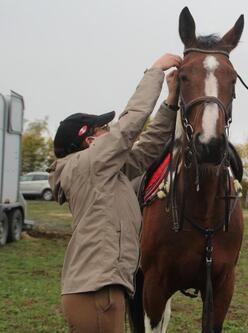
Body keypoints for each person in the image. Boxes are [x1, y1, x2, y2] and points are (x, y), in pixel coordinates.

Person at [48, 53, 182, 333]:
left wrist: (170, 104)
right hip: (96, 292)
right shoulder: (88, 164)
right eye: (104, 128)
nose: (111, 131)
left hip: (102, 289)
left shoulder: (103, 172)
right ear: (89, 141)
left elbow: (146, 148)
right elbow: (130, 124)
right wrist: (155, 71)